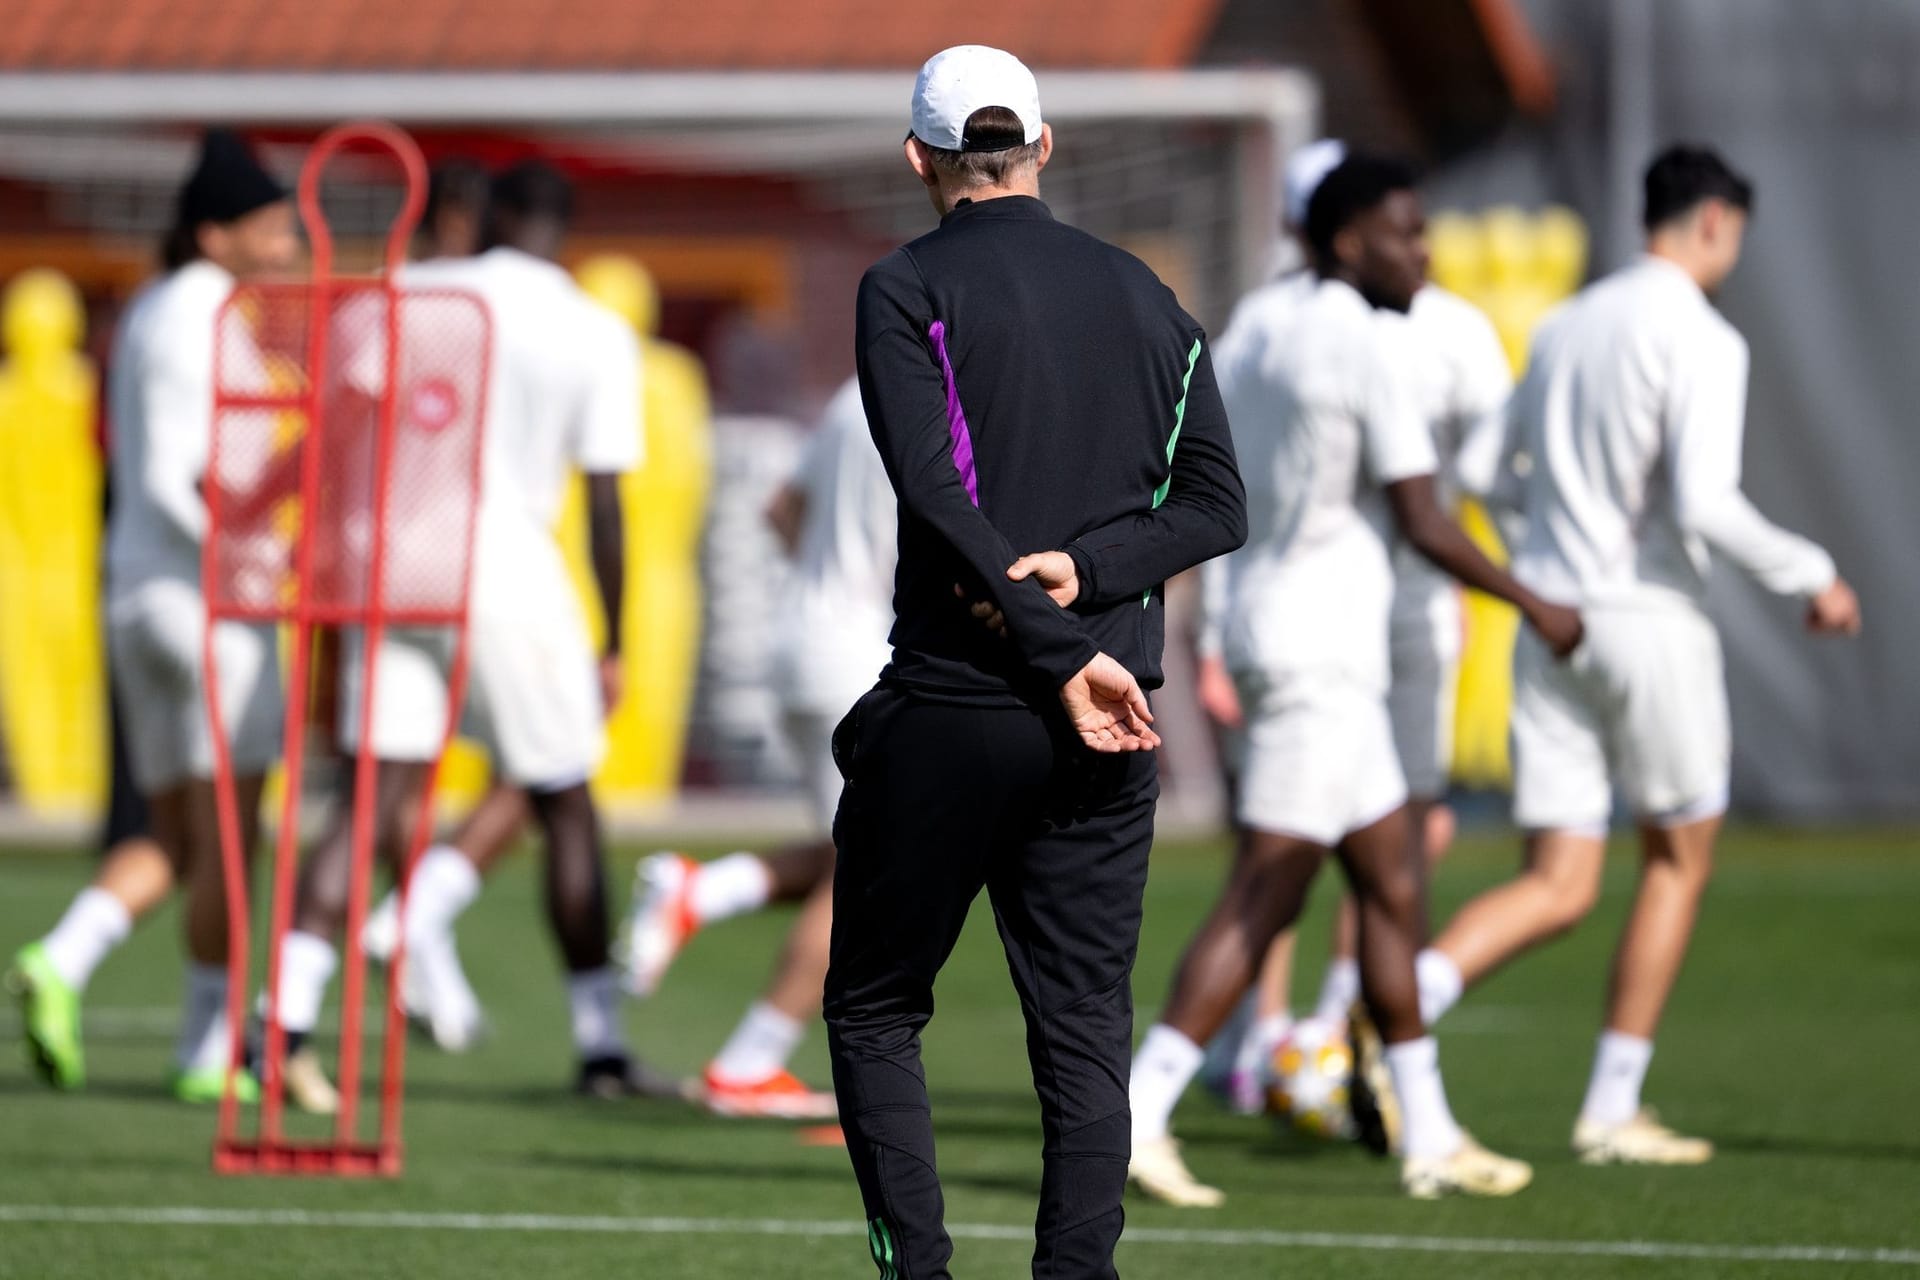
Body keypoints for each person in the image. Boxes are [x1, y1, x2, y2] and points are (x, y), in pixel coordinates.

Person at [824, 45, 1246, 1280]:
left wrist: (1055, 639)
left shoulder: (904, 287)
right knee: (1081, 1028)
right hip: (1112, 714)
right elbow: (1219, 506)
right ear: (1044, 147)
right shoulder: (1146, 294)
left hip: (965, 701)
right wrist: (1095, 584)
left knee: (876, 1006)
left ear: (918, 159)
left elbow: (940, 498)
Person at [1126, 152, 1583, 1207]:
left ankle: (1428, 1129)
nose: (1422, 252)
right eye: (1404, 233)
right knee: (1267, 885)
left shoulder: (1260, 328)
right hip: (1323, 650)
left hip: (1290, 626)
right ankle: (1137, 1114)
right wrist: (1538, 604)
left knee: (1389, 877)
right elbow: (1425, 517)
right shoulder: (1366, 342)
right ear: (1344, 242)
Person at [1406, 144, 1860, 1165]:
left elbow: (1481, 468)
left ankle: (1391, 1009)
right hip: (1650, 619)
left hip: (1553, 620)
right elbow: (1703, 500)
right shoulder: (1702, 334)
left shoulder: (1567, 321)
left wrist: (1545, 546)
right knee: (1675, 856)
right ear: (1712, 225)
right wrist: (1814, 574)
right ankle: (1611, 1108)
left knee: (1560, 880)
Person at [263, 159, 663, 1107]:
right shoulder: (586, 325)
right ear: (561, 227)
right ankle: (600, 1046)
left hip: (383, 564)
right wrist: (615, 636)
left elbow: (331, 432)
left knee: (366, 799)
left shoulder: (398, 297)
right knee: (563, 797)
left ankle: (279, 1024)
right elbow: (606, 501)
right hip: (504, 568)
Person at [7, 130, 297, 1101]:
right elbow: (186, 475)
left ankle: (64, 957)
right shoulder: (203, 313)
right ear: (215, 234)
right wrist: (256, 555)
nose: (289, 235)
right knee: (231, 833)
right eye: (267, 221)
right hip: (204, 600)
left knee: (173, 835)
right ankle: (207, 1047)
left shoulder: (151, 314)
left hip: (140, 594)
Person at [623, 375, 889, 1119]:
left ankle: (701, 892)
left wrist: (833, 575)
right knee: (873, 874)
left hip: (806, 638)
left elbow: (781, 509)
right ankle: (748, 1064)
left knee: (870, 851)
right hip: (864, 655)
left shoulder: (853, 393)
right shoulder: (949, 405)